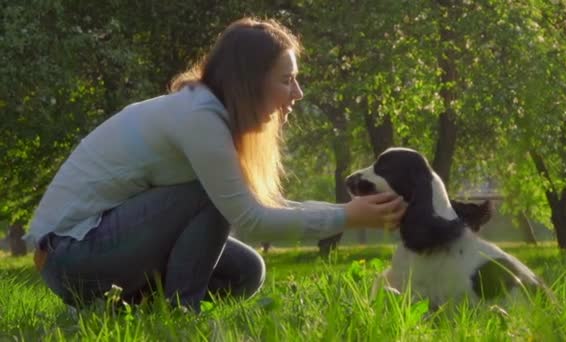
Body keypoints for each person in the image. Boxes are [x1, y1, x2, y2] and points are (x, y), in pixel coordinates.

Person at [25, 17, 407, 311]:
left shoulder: (211, 117)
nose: (298, 92)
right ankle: (180, 316)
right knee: (207, 194)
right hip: (70, 257)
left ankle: (132, 310)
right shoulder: (199, 118)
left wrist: (349, 212)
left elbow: (264, 208)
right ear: (250, 82)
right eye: (287, 79)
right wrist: (347, 217)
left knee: (245, 272)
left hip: (101, 250)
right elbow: (251, 219)